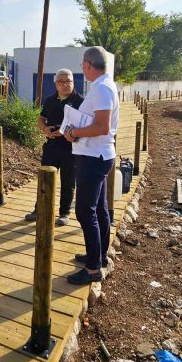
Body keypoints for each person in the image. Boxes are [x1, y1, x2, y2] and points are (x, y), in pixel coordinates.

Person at [64, 46, 119, 285]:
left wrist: (74, 131)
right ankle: (99, 255)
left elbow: (102, 127)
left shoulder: (101, 89)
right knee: (99, 209)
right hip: (98, 155)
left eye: (81, 66)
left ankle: (93, 268)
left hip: (93, 157)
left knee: (85, 212)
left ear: (87, 64)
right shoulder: (105, 85)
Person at [25, 69, 83, 226]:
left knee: (68, 182)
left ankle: (64, 213)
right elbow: (41, 119)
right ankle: (39, 210)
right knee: (45, 180)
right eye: (61, 82)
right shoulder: (50, 100)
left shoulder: (80, 101)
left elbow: (84, 125)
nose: (65, 84)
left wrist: (65, 132)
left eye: (68, 81)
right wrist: (45, 129)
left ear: (73, 82)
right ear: (55, 83)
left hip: (71, 148)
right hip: (51, 146)